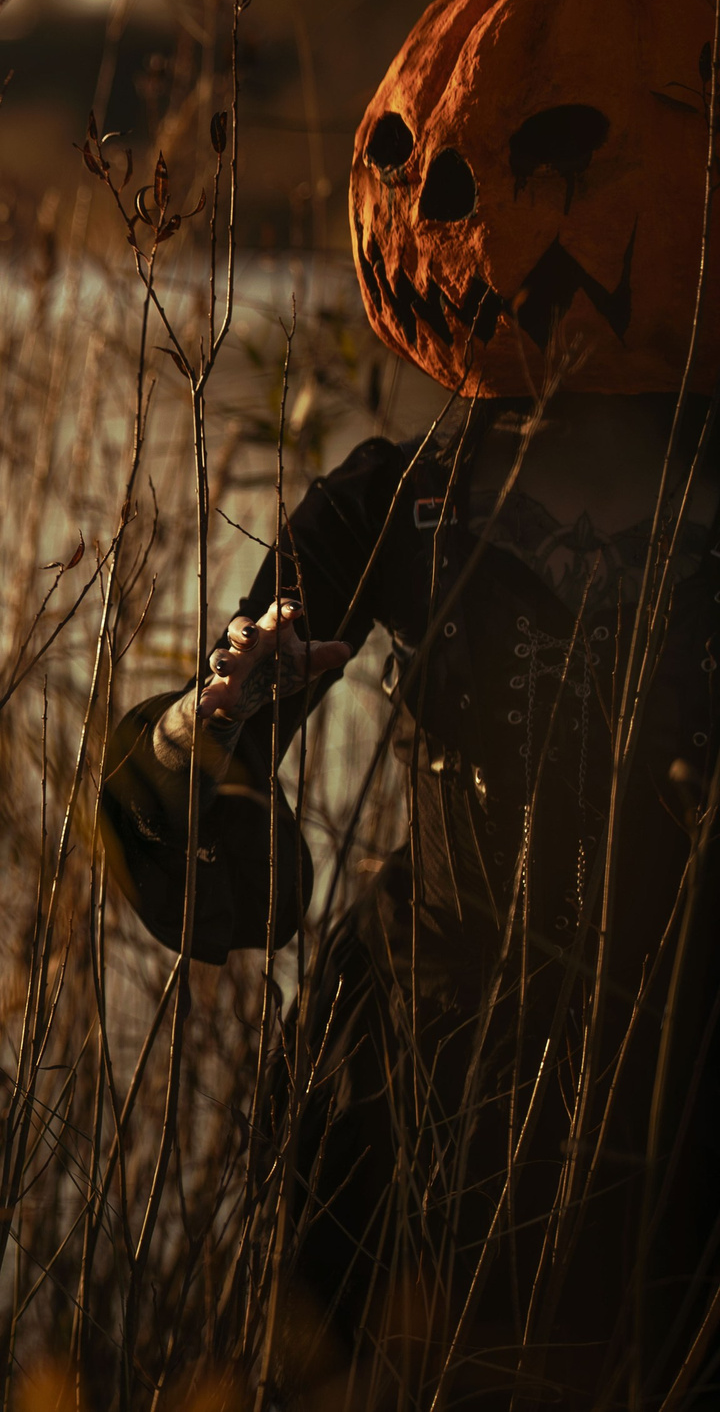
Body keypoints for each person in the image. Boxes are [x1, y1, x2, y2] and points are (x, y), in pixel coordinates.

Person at [99, 391, 720, 1403]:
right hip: (423, 1095)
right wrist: (202, 724)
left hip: (686, 1102)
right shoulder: (402, 498)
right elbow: (205, 747)